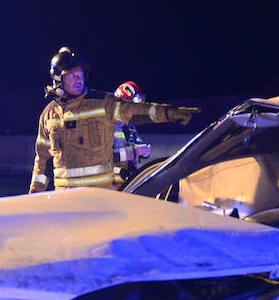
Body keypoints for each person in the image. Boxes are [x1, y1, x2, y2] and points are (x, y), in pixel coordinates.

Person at [29, 47, 197, 193]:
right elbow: (42, 160)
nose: (79, 79)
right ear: (58, 78)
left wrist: (169, 113)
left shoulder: (102, 104)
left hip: (100, 196)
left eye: (80, 74)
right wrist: (35, 195)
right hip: (65, 199)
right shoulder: (48, 115)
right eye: (72, 75)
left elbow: (135, 111)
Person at [112, 79, 154, 184]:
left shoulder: (130, 126)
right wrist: (135, 152)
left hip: (131, 183)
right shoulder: (105, 124)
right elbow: (105, 156)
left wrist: (144, 151)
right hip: (113, 184)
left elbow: (137, 143)